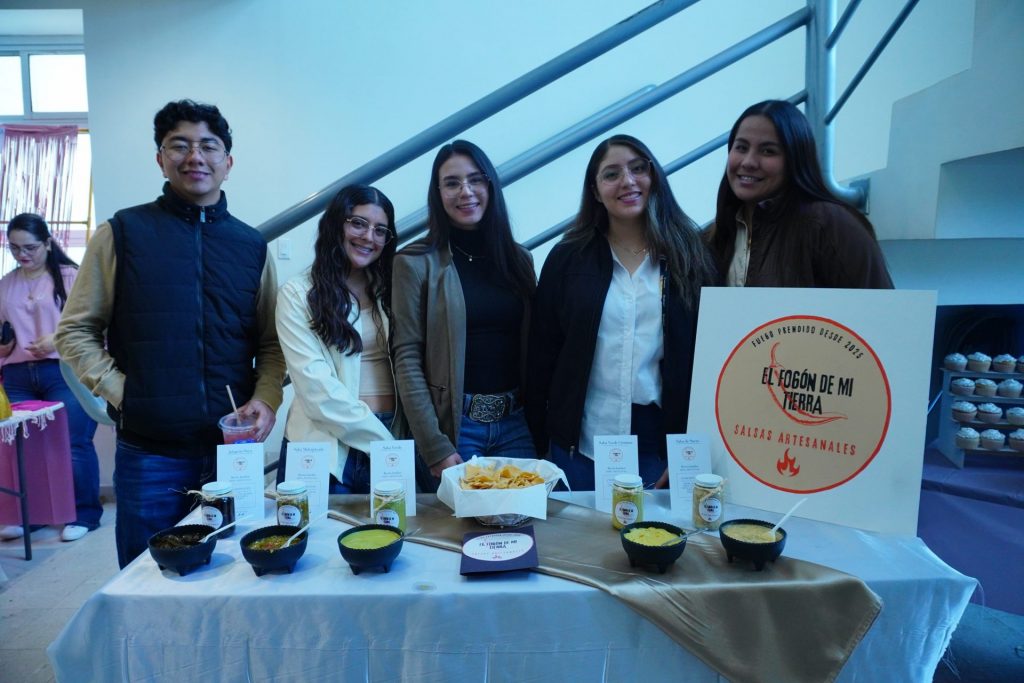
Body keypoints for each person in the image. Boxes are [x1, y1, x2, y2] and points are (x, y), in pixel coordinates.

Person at [55, 99, 285, 567]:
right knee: (148, 578)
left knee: (235, 575)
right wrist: (124, 393)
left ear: (228, 163)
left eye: (208, 146)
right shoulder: (122, 233)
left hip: (230, 453)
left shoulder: (251, 246)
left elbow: (271, 342)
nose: (195, 156)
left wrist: (266, 398)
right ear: (160, 158)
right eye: (179, 145)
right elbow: (75, 330)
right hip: (150, 454)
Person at [526, 134, 717, 490]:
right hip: (579, 446)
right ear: (596, 191)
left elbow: (706, 361)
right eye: (611, 174)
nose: (627, 181)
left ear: (654, 176)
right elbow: (541, 355)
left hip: (658, 449)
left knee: (650, 527)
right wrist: (541, 444)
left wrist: (686, 452)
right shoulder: (567, 258)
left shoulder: (690, 255)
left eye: (638, 169)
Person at [392, 140, 536, 486]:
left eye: (475, 180)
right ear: (438, 193)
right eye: (452, 183)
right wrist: (434, 445)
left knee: (525, 515)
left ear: (490, 185)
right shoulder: (414, 262)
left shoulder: (519, 260)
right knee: (459, 520)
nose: (465, 192)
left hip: (515, 422)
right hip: (455, 429)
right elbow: (407, 357)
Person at [275, 184, 398, 492]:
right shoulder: (297, 294)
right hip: (325, 446)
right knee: (318, 526)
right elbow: (317, 390)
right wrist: (387, 444)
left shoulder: (392, 290)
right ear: (335, 225)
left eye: (380, 230)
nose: (369, 237)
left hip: (393, 432)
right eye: (358, 223)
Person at [705, 99, 893, 288]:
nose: (748, 162)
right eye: (741, 147)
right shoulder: (711, 237)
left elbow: (879, 304)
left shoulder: (830, 225)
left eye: (768, 151)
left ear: (796, 160)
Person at [0, 214, 102, 542]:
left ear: (47, 243)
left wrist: (57, 340)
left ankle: (84, 515)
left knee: (74, 444)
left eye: (30, 247)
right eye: (14, 248)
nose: (22, 254)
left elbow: (95, 325)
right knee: (25, 448)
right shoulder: (6, 284)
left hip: (65, 371)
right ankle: (35, 517)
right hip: (17, 373)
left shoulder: (72, 276)